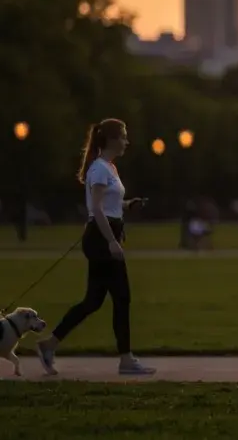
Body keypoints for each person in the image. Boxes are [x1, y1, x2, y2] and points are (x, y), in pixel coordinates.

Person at [35, 119, 155, 376]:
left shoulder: (109, 168)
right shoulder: (99, 169)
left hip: (104, 234)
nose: (126, 142)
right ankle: (126, 359)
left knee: (93, 301)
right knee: (122, 297)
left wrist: (128, 204)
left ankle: (49, 344)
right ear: (111, 140)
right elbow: (96, 209)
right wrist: (111, 241)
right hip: (101, 238)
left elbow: (110, 205)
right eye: (123, 137)